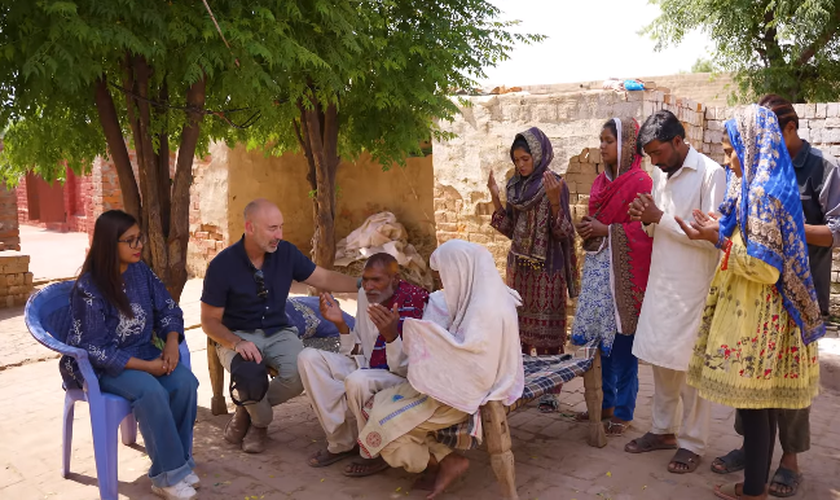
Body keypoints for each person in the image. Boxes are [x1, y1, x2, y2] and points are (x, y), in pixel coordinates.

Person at [678, 104, 824, 500]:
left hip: (761, 311)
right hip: (769, 311)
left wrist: (718, 240)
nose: (727, 160)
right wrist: (718, 228)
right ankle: (756, 482)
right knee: (764, 401)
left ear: (752, 145)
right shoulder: (767, 182)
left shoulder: (761, 192)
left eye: (730, 151)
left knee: (757, 406)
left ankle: (754, 489)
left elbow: (764, 268)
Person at [710, 95, 840, 498]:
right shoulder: (756, 172)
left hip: (801, 291)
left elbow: (835, 231)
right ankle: (753, 454)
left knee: (788, 389)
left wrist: (784, 228)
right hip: (759, 299)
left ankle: (789, 461)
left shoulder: (820, 169)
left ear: (788, 129)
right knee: (751, 383)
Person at [356, 240, 524, 500]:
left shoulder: (486, 310)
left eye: (445, 275)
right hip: (451, 386)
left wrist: (421, 338)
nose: (444, 284)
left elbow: (474, 369)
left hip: (463, 394)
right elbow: (458, 351)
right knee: (373, 406)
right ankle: (446, 460)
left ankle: (437, 462)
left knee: (382, 431)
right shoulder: (480, 299)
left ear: (462, 271)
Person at [59, 210, 199, 500]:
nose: (138, 246)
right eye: (130, 241)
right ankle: (166, 477)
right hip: (103, 366)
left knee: (185, 382)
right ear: (110, 244)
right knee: (150, 391)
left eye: (140, 238)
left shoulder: (141, 271)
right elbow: (95, 349)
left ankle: (179, 464)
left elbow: (168, 309)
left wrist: (171, 341)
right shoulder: (89, 288)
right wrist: (148, 367)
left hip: (143, 351)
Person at [200, 198, 358, 453]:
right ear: (250, 228)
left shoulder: (285, 253)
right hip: (236, 334)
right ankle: (260, 424)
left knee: (300, 373)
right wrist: (237, 343)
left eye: (281, 227)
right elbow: (209, 322)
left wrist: (363, 284)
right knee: (249, 374)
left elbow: (324, 277)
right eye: (272, 228)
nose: (279, 235)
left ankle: (246, 409)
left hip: (278, 331)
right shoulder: (223, 265)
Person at [625, 109, 727, 473]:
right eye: (650, 155)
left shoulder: (711, 175)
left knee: (690, 369)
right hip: (663, 282)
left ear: (678, 142)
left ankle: (692, 442)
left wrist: (659, 218)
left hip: (695, 286)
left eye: (658, 153)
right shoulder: (660, 174)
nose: (654, 160)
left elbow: (715, 240)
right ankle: (663, 430)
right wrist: (646, 218)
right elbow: (659, 227)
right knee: (661, 360)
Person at [297, 253, 429, 476]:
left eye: (376, 280)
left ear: (394, 279)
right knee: (308, 358)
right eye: (365, 280)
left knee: (358, 380)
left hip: (398, 375)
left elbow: (409, 368)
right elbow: (358, 348)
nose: (368, 286)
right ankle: (341, 443)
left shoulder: (415, 301)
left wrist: (391, 337)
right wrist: (340, 323)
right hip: (367, 366)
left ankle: (374, 452)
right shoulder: (364, 295)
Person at [571, 117, 653, 436]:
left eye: (609, 140)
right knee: (598, 343)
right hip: (598, 273)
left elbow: (646, 231)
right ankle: (602, 404)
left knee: (622, 342)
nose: (602, 146)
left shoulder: (640, 182)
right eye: (601, 139)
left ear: (627, 144)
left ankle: (623, 409)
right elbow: (596, 224)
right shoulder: (599, 184)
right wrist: (588, 228)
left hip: (624, 274)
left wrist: (607, 229)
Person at [488, 126, 577, 411]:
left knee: (548, 334)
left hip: (547, 271)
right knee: (518, 330)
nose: (521, 165)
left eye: (525, 159)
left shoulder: (554, 184)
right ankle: (521, 383)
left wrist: (553, 202)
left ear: (538, 156)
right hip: (519, 270)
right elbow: (511, 229)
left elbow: (563, 232)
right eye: (517, 160)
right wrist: (494, 198)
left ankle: (551, 389)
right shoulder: (515, 186)